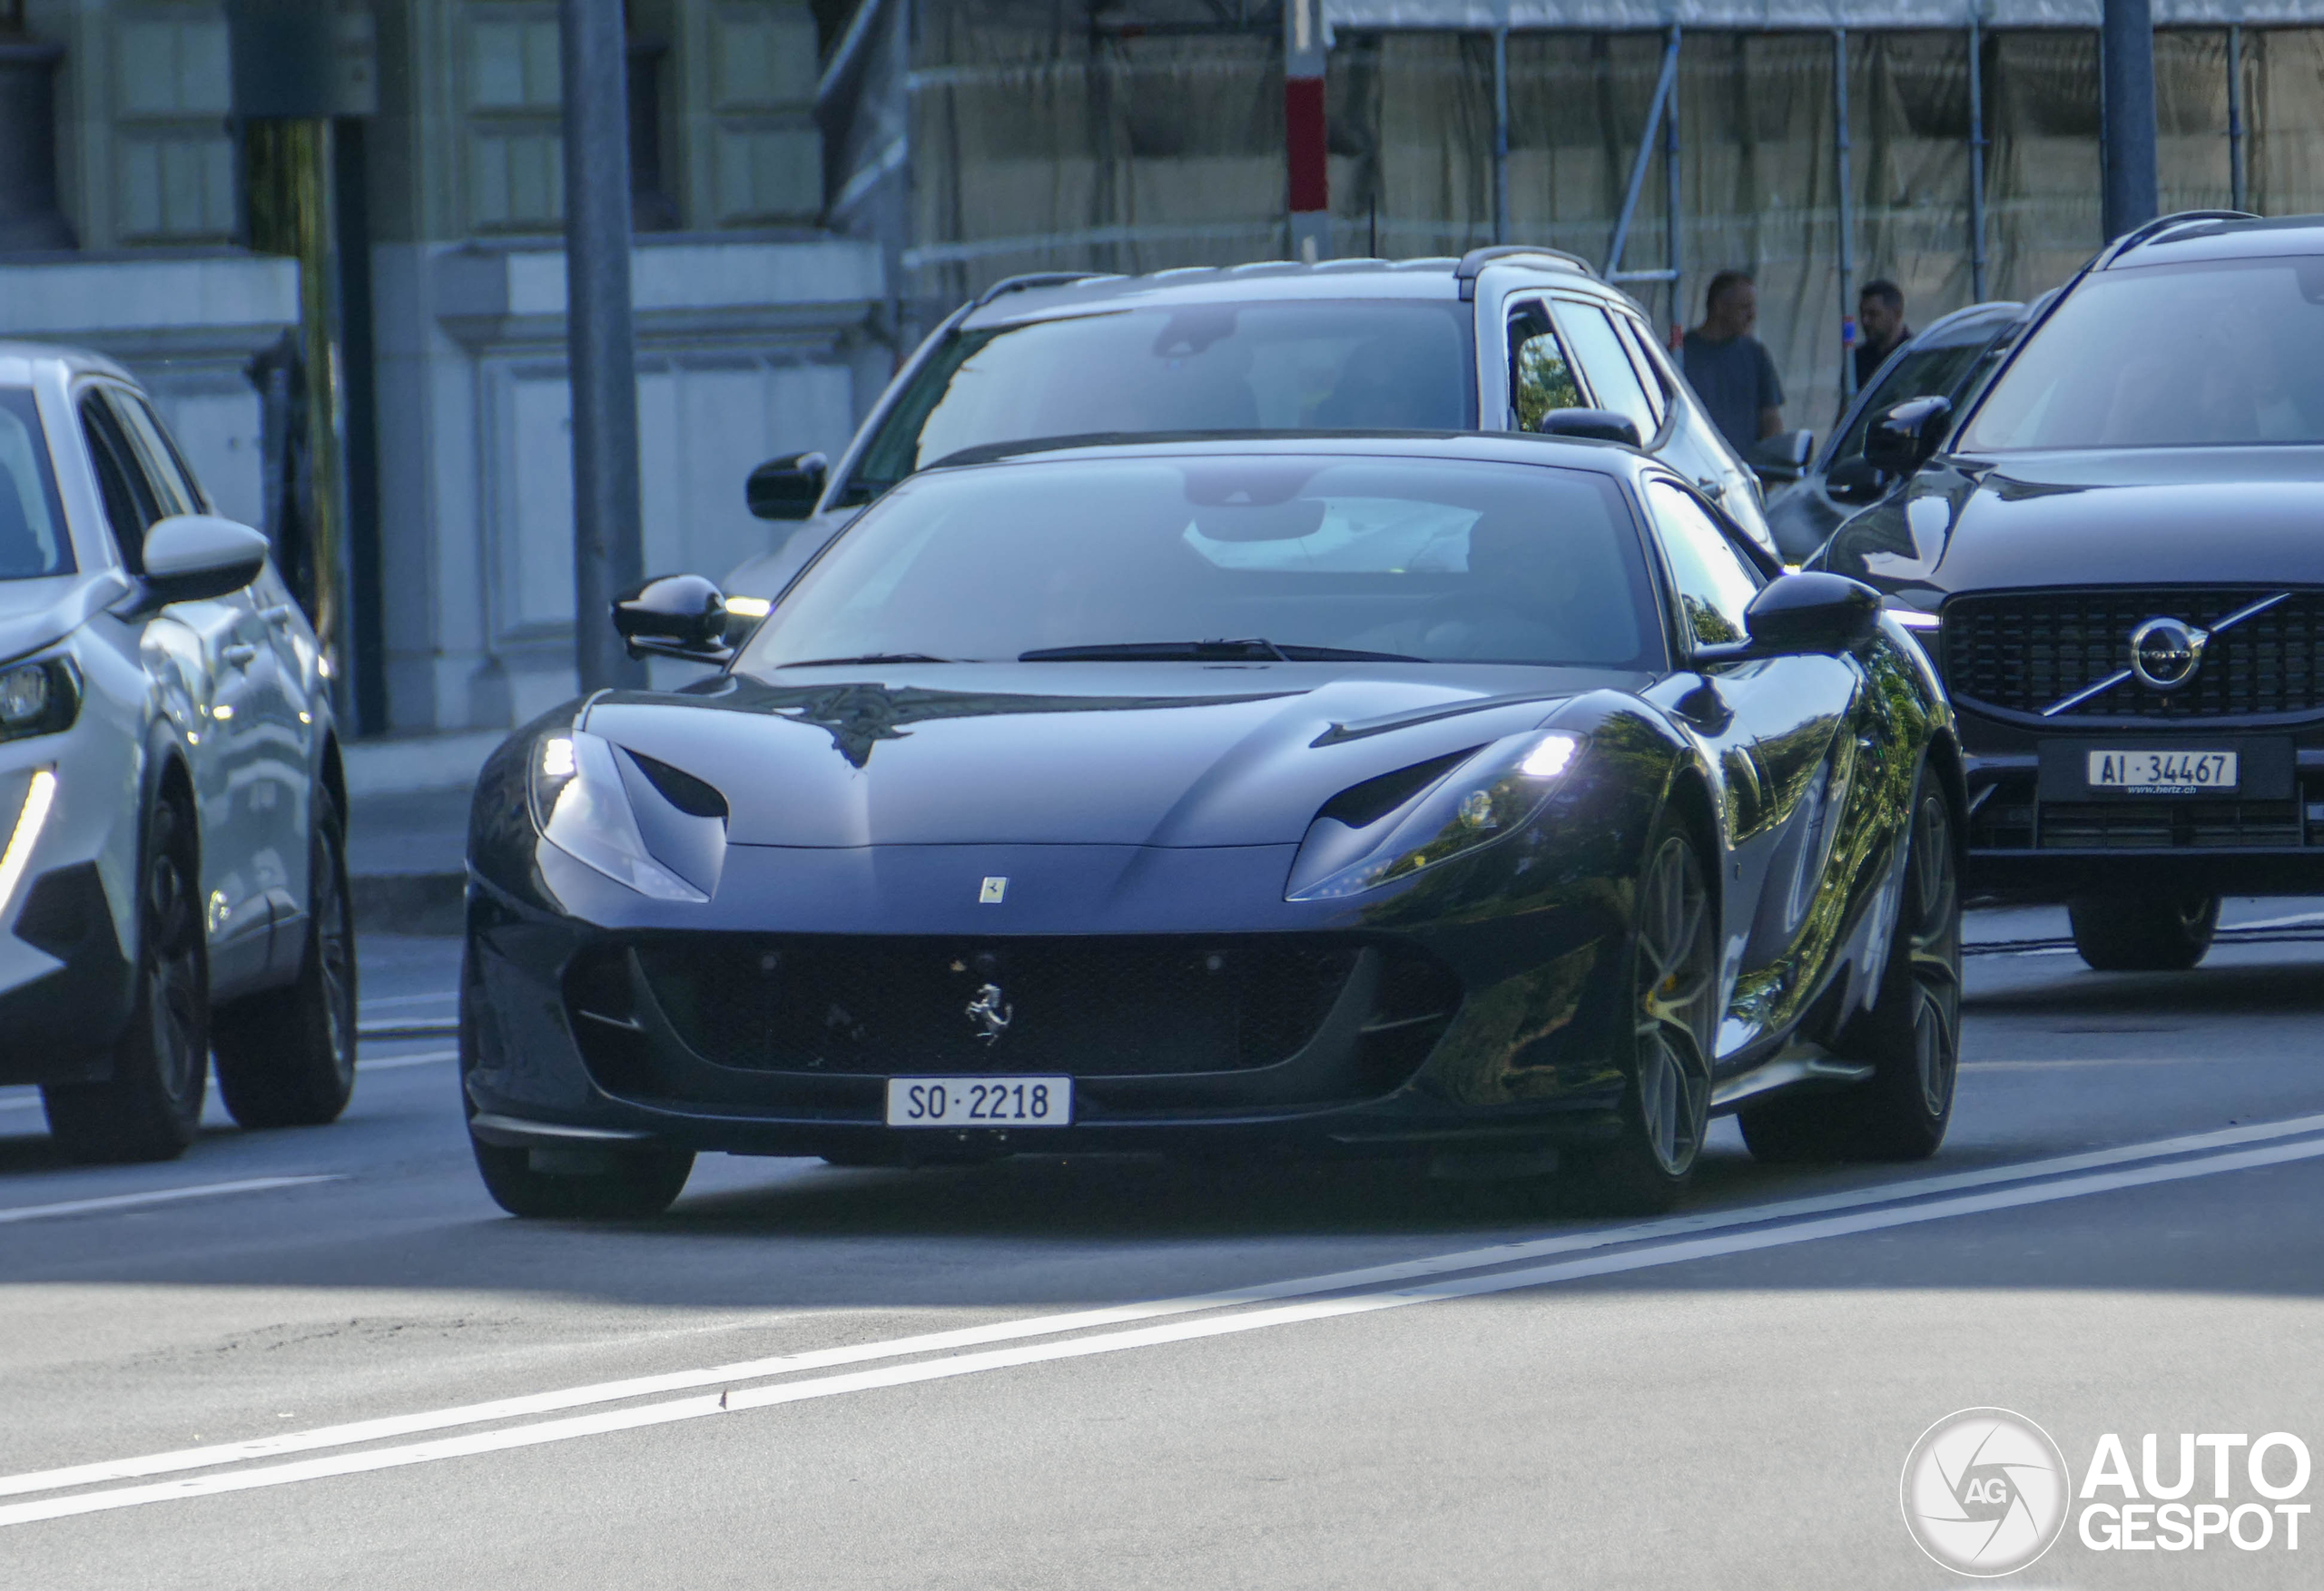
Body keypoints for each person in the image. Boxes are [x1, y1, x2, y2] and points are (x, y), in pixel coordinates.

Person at [1681, 270, 1784, 455]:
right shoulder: (1679, 356)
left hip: (1744, 473)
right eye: (1744, 307)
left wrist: (1768, 471)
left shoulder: (1755, 354)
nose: (1752, 315)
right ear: (1719, 307)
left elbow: (1771, 419)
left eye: (1753, 307)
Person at [1855, 280, 1910, 392]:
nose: (1865, 321)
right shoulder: (1858, 359)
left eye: (1873, 314)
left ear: (1896, 314)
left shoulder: (1913, 356)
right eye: (1862, 314)